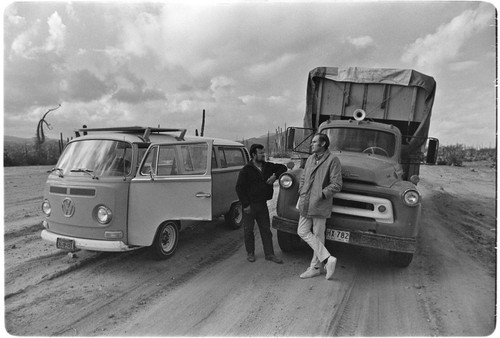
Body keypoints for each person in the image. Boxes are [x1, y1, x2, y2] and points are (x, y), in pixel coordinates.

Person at [297, 133, 342, 280]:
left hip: (320, 204)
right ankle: (328, 258)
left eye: (314, 142)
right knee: (302, 231)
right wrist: (301, 190)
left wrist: (321, 195)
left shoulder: (332, 159)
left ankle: (315, 267)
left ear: (323, 144)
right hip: (305, 202)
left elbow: (336, 184)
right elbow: (303, 177)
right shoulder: (310, 159)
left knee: (318, 235)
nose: (311, 144)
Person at [236, 144, 287, 264]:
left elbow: (283, 167)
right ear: (253, 155)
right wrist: (245, 205)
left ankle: (269, 254)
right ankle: (250, 253)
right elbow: (239, 188)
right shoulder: (246, 170)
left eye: (264, 153)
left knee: (266, 230)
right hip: (250, 205)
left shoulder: (268, 166)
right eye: (261, 153)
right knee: (248, 230)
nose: (263, 155)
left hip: (262, 204)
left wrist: (275, 176)